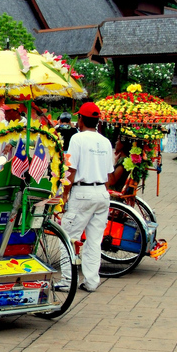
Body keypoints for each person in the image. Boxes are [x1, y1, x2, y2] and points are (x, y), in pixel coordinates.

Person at [60, 102, 114, 293]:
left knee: (67, 237)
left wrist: (64, 196)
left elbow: (71, 169)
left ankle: (67, 281)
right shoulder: (105, 142)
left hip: (82, 193)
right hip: (101, 192)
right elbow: (109, 175)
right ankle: (91, 281)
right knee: (94, 240)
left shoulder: (77, 139)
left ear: (81, 119)